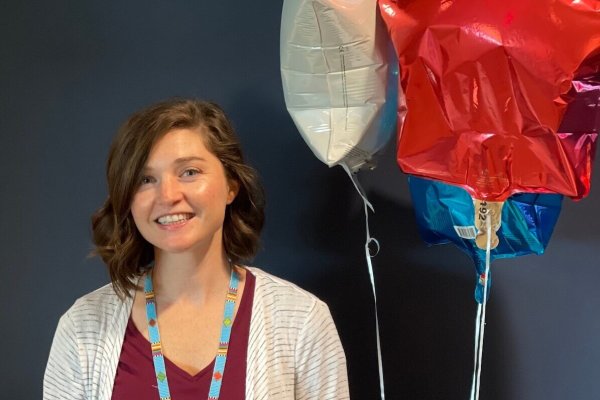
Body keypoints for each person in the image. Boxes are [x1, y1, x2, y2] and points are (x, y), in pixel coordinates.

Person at [43, 98, 349, 399]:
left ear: (231, 185)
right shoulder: (83, 327)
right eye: (145, 179)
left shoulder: (301, 320)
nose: (168, 195)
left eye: (189, 172)